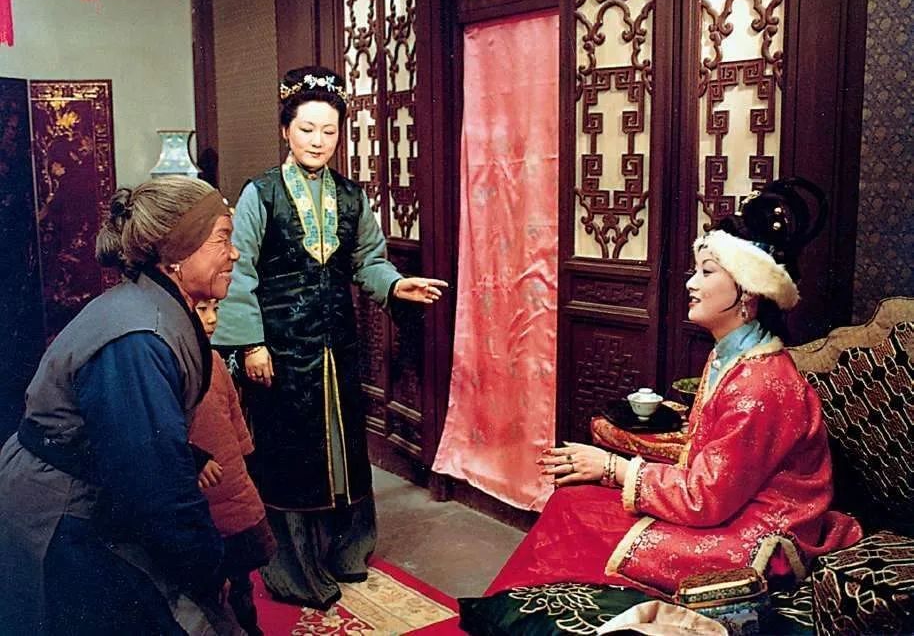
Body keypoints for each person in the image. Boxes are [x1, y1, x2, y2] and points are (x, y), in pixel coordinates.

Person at [487, 177, 863, 598]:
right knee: (571, 503)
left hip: (760, 537)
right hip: (728, 510)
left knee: (581, 521)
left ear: (749, 293)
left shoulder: (761, 384)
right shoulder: (732, 356)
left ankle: (527, 612)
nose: (690, 283)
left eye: (707, 272)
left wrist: (612, 468)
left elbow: (705, 499)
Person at [212, 65, 448, 609]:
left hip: (336, 345)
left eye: (329, 131)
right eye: (306, 129)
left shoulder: (350, 196)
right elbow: (238, 273)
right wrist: (251, 344)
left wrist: (396, 285)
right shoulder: (261, 194)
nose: (318, 141)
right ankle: (292, 569)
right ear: (286, 130)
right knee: (289, 452)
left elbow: (368, 260)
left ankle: (346, 550)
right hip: (279, 348)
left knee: (342, 446)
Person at [0, 176, 244, 635]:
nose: (234, 254)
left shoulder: (153, 306)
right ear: (176, 254)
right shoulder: (139, 338)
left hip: (91, 491)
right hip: (58, 510)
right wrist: (209, 567)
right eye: (222, 239)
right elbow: (154, 482)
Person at [190, 298, 277, 636]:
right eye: (202, 310)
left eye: (216, 310)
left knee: (241, 578)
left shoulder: (214, 360)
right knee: (210, 583)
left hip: (231, 477)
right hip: (203, 483)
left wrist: (244, 456)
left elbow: (234, 414)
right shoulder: (174, 365)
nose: (212, 320)